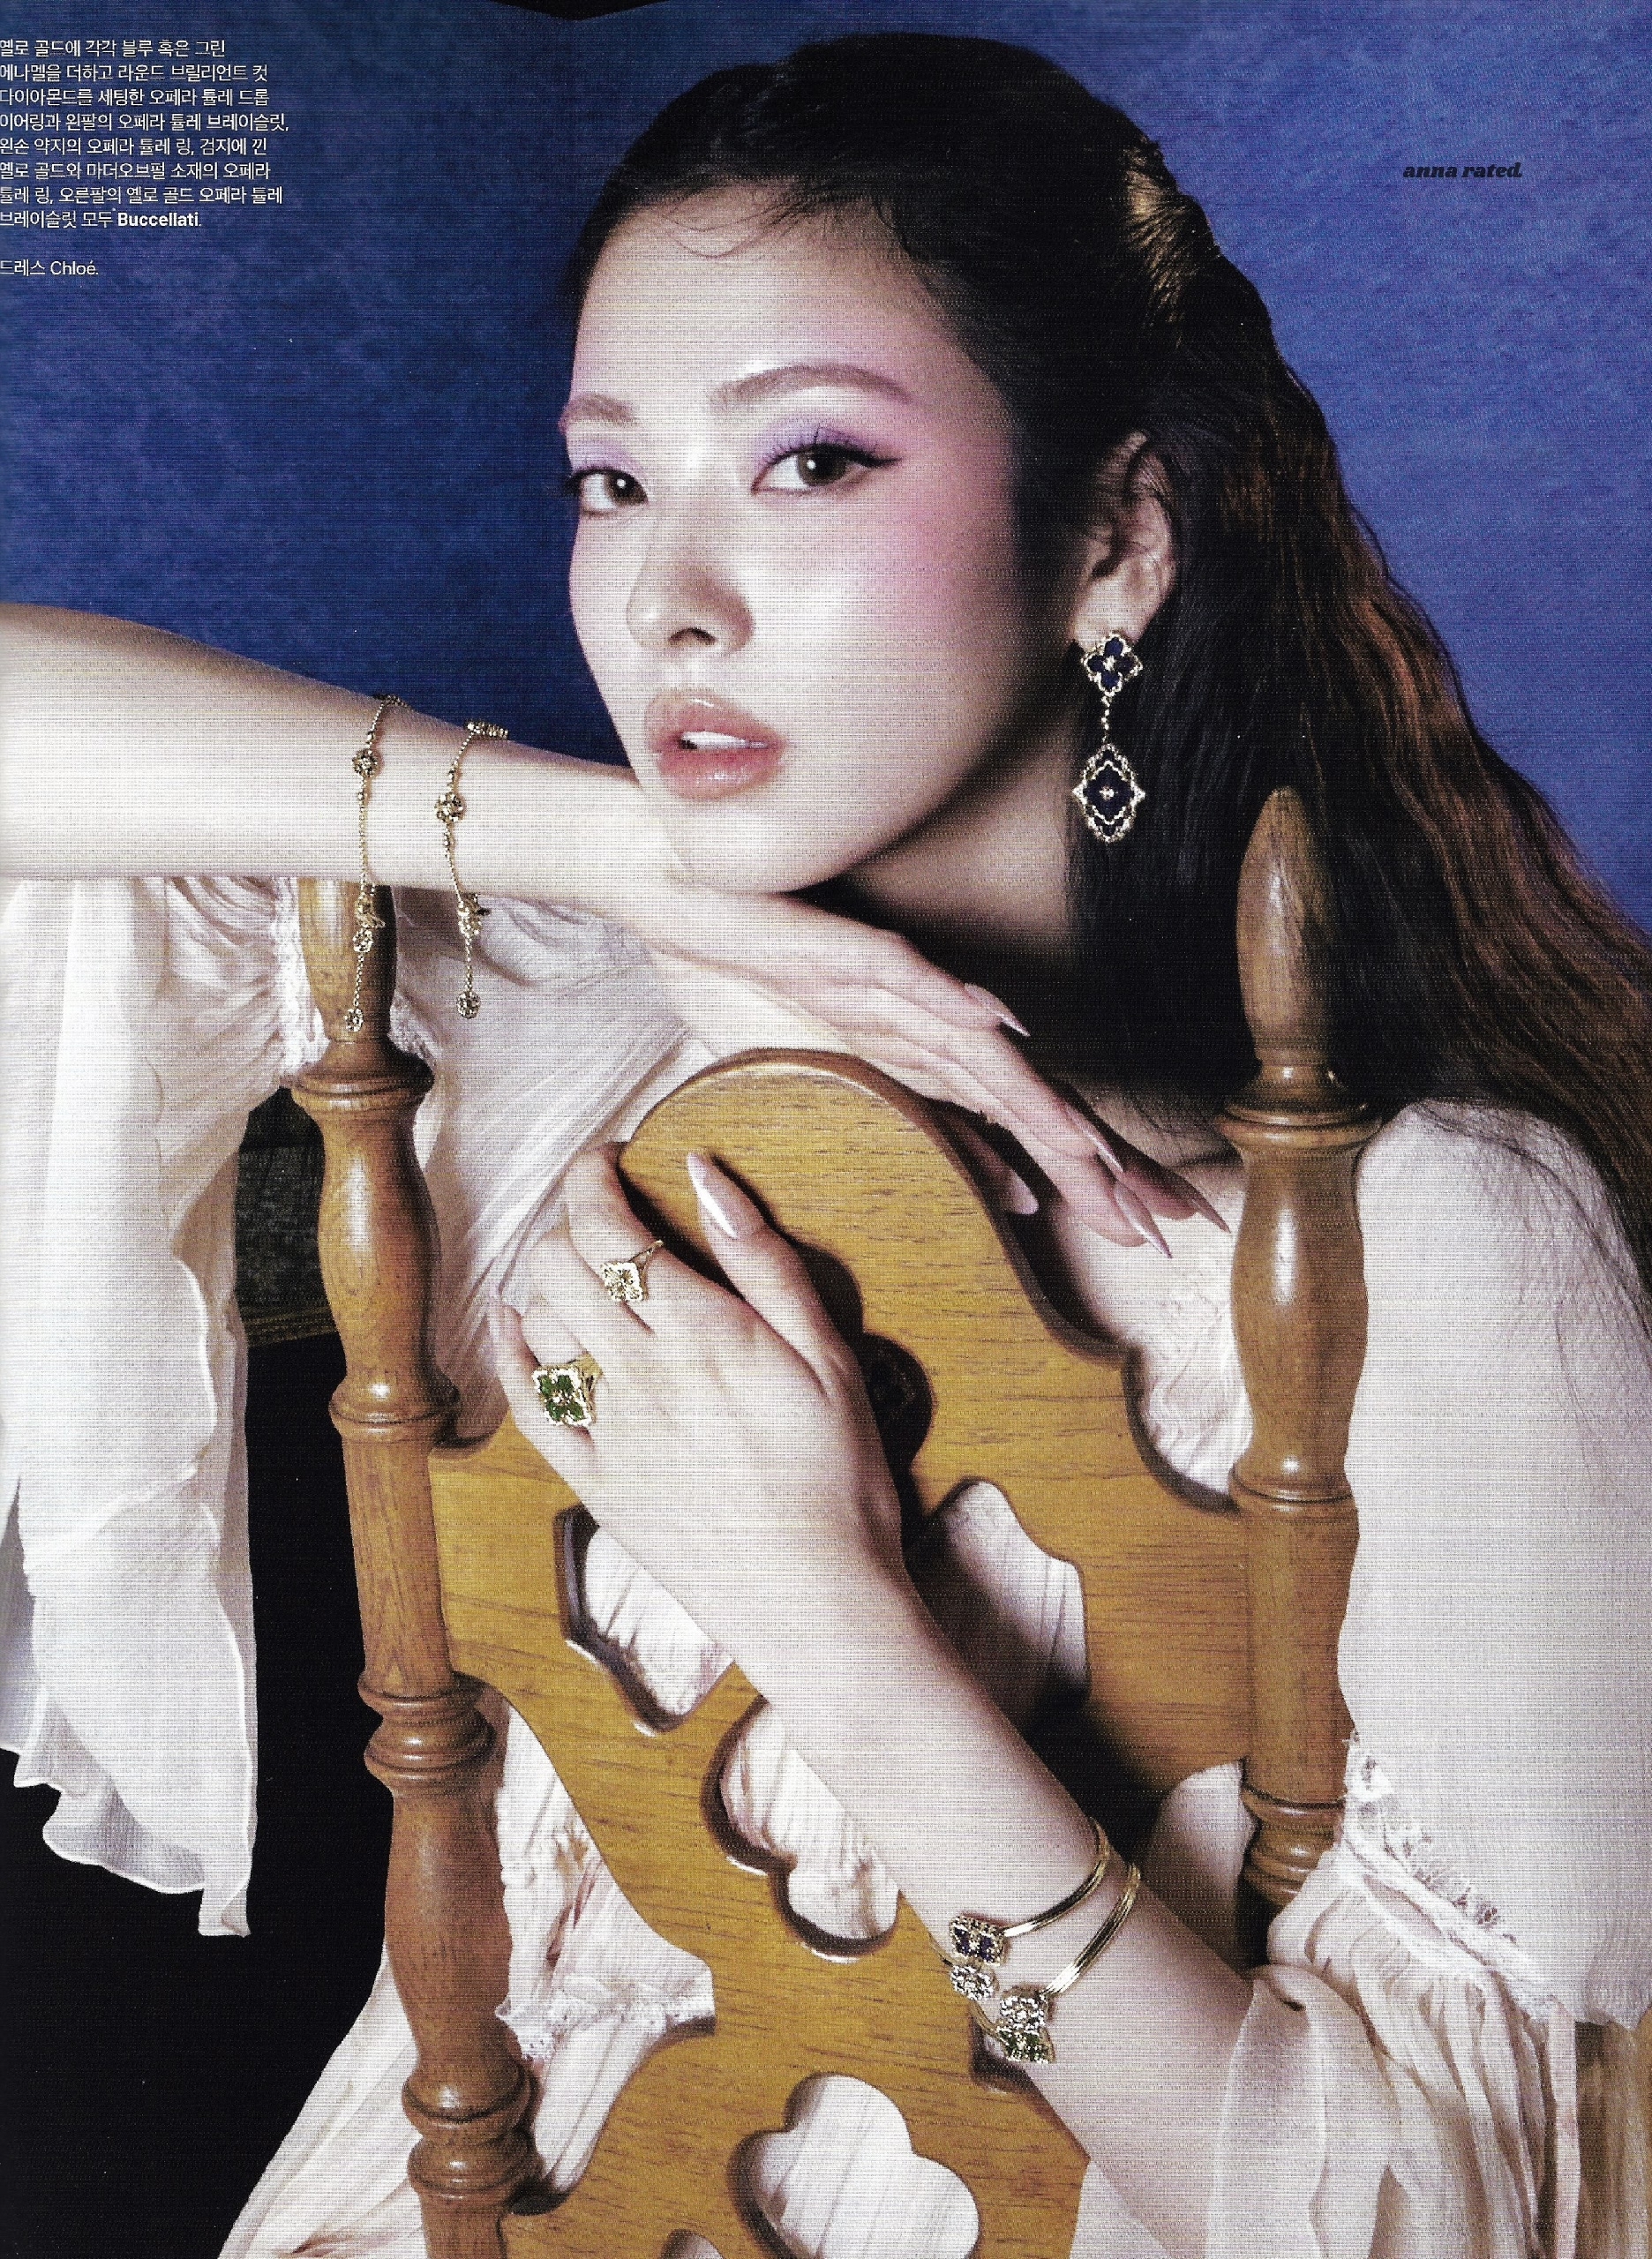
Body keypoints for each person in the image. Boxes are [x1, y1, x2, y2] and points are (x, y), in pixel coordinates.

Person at [4, 30, 1650, 2258]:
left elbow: (1440, 2222)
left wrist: (823, 1612)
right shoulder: (567, 1035)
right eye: (609, 481)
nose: (667, 597)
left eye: (808, 462)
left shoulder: (1436, 1248)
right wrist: (622, 849)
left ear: (1115, 539)